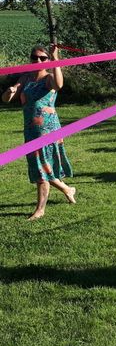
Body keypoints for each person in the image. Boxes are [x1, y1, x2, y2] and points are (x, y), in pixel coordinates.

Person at [1, 45, 76, 220]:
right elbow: (6, 99)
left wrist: (56, 60)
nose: (38, 61)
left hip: (48, 131)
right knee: (41, 167)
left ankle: (40, 210)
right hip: (30, 130)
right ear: (30, 58)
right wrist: (9, 91)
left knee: (42, 170)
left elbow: (59, 85)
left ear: (48, 60)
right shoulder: (25, 78)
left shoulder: (49, 78)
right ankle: (67, 189)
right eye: (35, 57)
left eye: (43, 58)